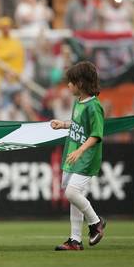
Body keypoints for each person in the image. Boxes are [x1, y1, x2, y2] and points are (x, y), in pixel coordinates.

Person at [50, 61, 106, 251]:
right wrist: (64, 125)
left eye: (71, 82)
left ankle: (96, 222)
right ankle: (75, 240)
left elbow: (96, 134)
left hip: (86, 157)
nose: (68, 85)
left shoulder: (94, 106)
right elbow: (78, 125)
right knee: (74, 196)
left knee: (72, 193)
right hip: (72, 156)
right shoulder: (78, 103)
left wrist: (80, 150)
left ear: (80, 83)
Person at [0, 16, 25, 92]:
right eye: (3, 27)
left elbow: (20, 59)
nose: (6, 29)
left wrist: (16, 73)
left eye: (8, 26)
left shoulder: (16, 42)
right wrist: (8, 55)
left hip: (14, 77)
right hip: (1, 77)